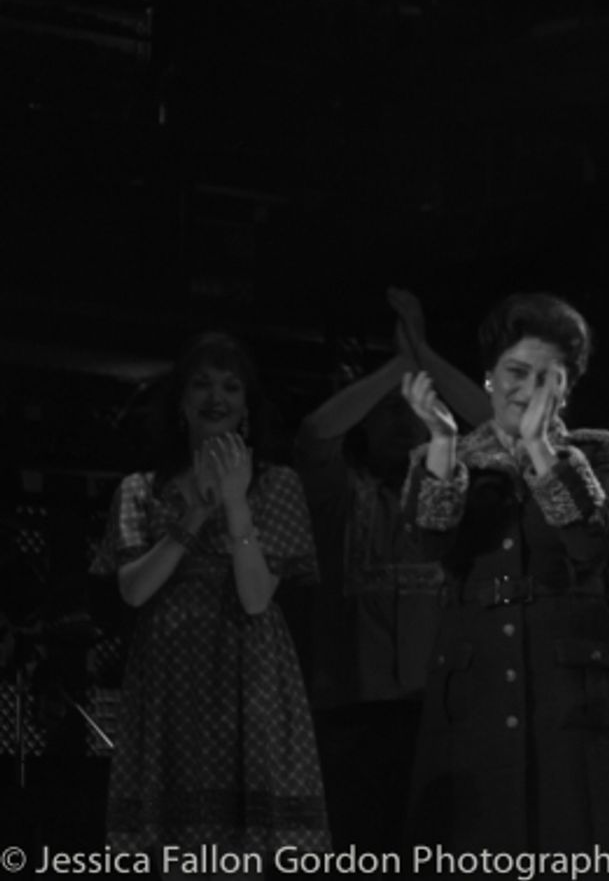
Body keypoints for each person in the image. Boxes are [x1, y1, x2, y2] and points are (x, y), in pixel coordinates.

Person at [399, 292, 609, 867]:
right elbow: (428, 541)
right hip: (474, 684)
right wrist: (443, 443)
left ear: (566, 387)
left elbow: (594, 539)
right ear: (488, 377)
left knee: (575, 840)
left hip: (570, 692)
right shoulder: (452, 459)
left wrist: (538, 447)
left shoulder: (596, 456)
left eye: (545, 376)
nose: (525, 387)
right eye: (515, 371)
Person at [91, 332, 327, 877]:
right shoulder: (139, 489)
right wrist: (196, 512)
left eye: (230, 386)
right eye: (200, 385)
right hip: (170, 672)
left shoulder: (278, 486)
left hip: (250, 671)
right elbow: (133, 589)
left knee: (248, 847)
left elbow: (255, 597)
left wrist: (236, 501)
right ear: (180, 403)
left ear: (247, 407)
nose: (215, 397)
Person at [293, 288, 490, 862]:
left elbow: (506, 427)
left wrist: (424, 356)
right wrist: (398, 369)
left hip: (436, 717)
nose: (403, 423)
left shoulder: (451, 489)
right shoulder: (341, 496)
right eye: (387, 411)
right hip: (351, 716)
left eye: (413, 410)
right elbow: (314, 435)